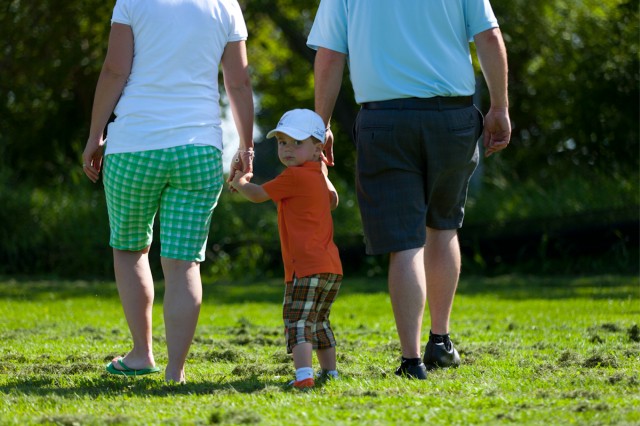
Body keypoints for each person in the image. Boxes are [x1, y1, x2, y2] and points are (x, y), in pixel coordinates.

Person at [307, 0, 511, 379]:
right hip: (452, 118)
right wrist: (499, 106)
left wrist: (321, 125)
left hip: (384, 121)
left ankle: (411, 359)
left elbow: (331, 54)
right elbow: (488, 35)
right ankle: (440, 340)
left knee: (405, 243)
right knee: (443, 226)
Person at [81, 0, 254, 383]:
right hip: (199, 150)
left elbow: (114, 70)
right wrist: (246, 147)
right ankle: (175, 372)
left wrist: (96, 135)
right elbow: (238, 82)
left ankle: (142, 354)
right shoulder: (226, 6)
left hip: (134, 146)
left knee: (129, 250)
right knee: (183, 263)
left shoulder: (132, 1)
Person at [230, 109, 343, 389]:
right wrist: (323, 169)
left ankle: (303, 376)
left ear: (318, 149)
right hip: (331, 267)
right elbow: (334, 201)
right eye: (282, 142)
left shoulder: (294, 176)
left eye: (297, 142)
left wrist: (238, 181)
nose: (288, 149)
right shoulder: (317, 172)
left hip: (305, 265)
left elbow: (256, 195)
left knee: (298, 321)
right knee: (319, 322)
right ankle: (330, 373)